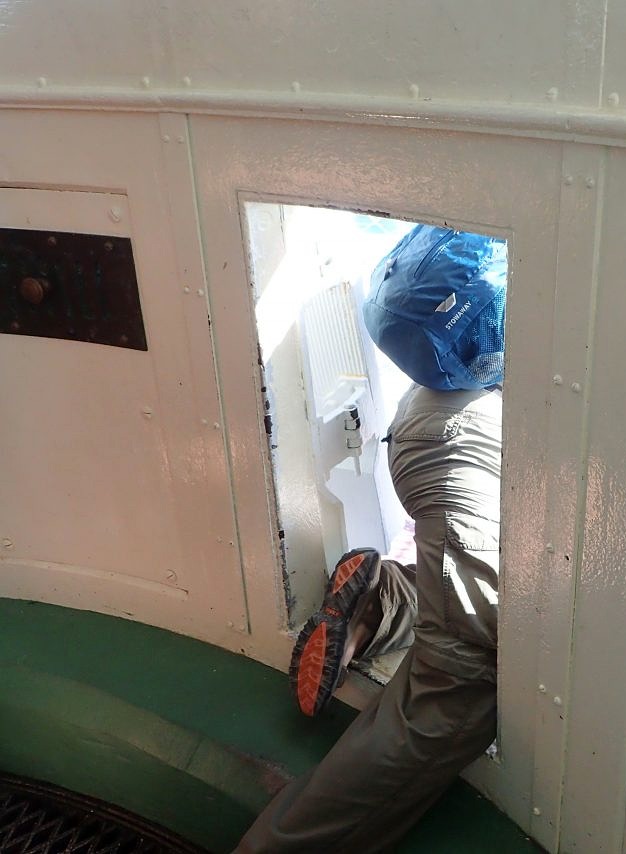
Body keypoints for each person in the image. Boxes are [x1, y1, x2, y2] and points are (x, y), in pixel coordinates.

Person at [235, 225, 506, 853]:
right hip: (446, 466)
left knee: (453, 614)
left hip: (434, 463)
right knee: (450, 695)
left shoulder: (455, 388)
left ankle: (382, 601)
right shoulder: (462, 433)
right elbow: (474, 648)